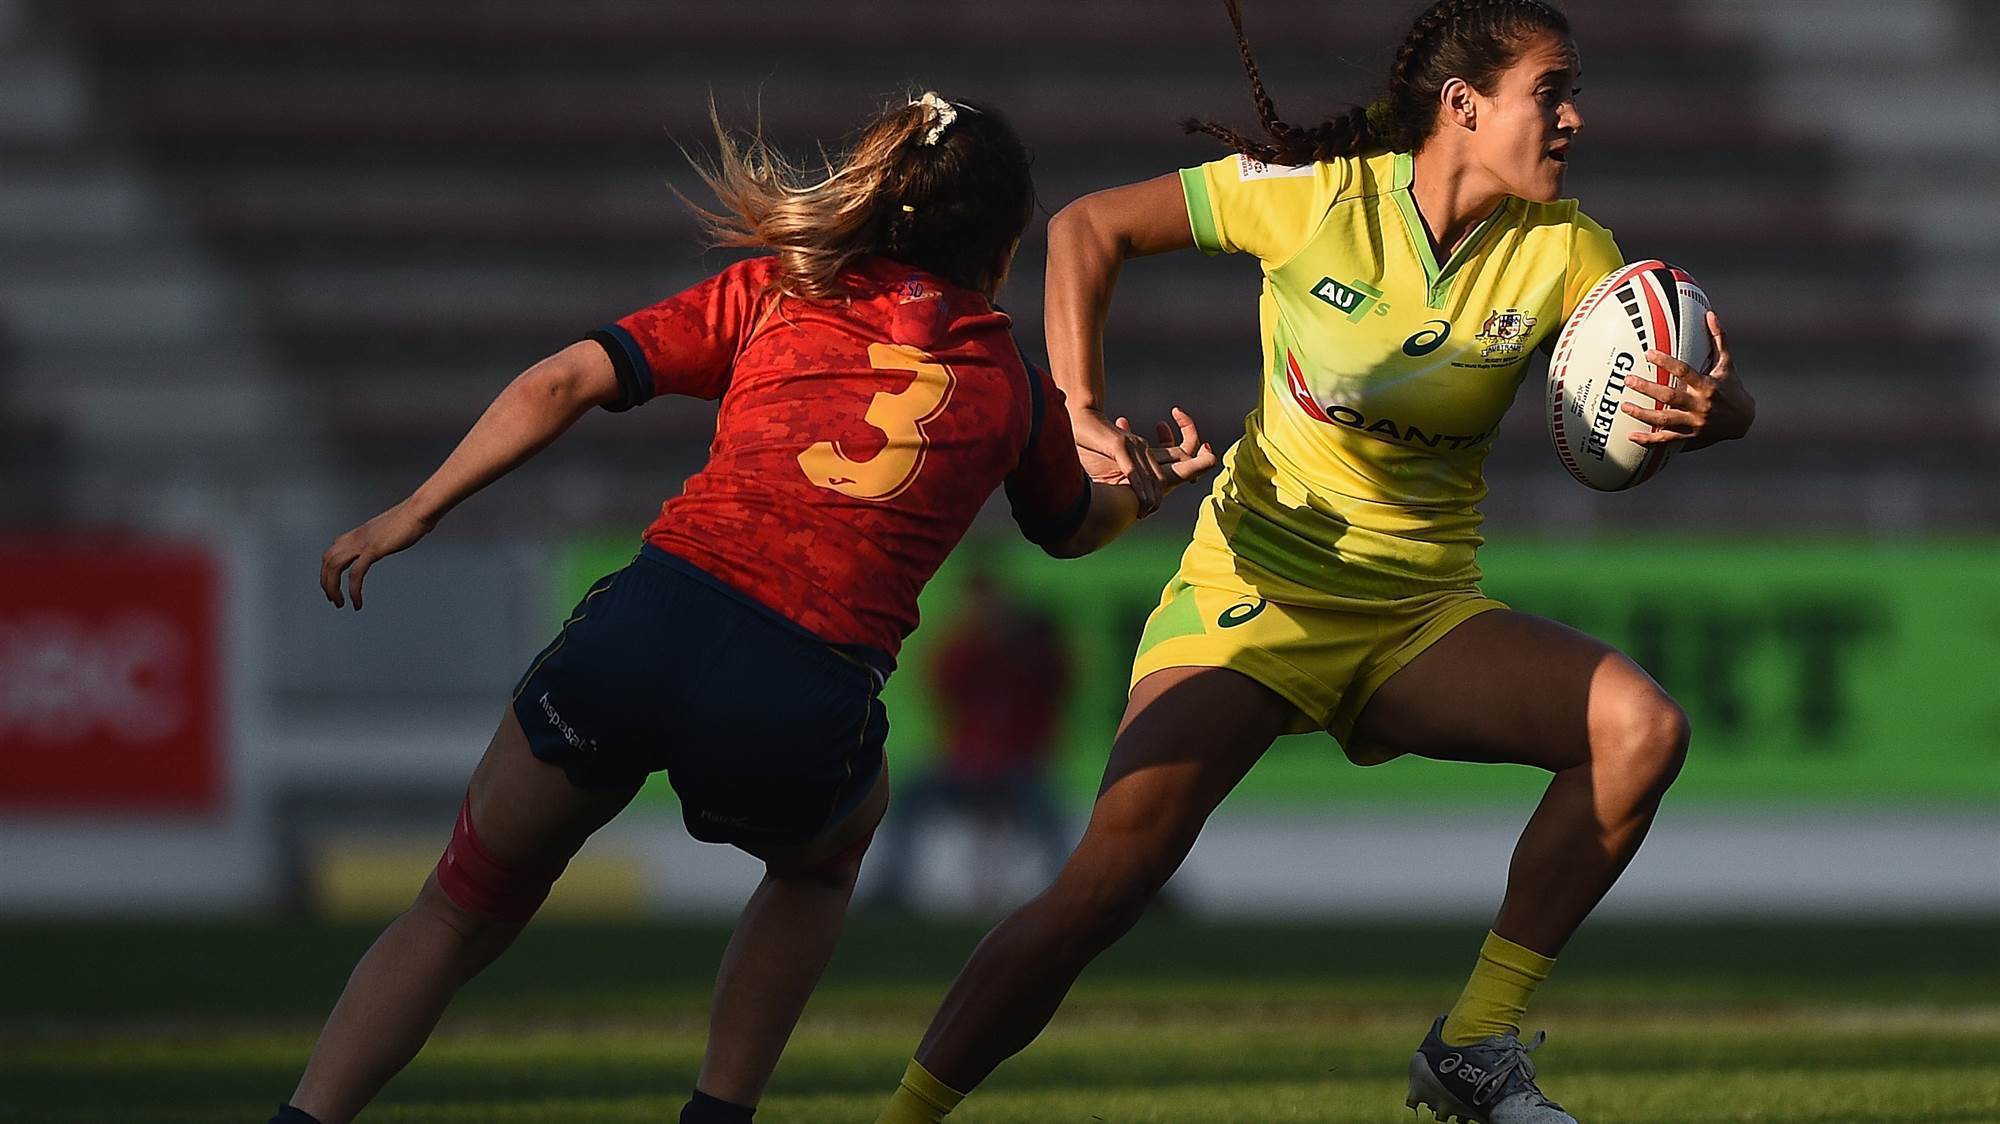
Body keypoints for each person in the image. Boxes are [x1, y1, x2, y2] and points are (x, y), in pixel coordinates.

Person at [874, 3, 1756, 1123]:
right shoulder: (1313, 196)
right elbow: (1089, 228)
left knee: (1640, 730)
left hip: (1419, 613)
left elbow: (1672, 383)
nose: (1573, 116)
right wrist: (1079, 409)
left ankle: (1474, 1044)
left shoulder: (1568, 248)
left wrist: (1710, 410)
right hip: (1257, 597)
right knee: (1103, 887)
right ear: (1462, 104)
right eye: (1551, 90)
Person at [274, 91, 1217, 1124]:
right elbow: (1073, 525)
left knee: (459, 904)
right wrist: (1145, 489)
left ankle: (307, 1113)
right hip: (801, 679)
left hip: (651, 620)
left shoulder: (776, 290)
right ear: (1002, 246)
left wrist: (414, 509)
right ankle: (717, 1111)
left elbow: (563, 380)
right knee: (826, 857)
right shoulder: (1009, 385)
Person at [863, 566, 1075, 911]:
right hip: (965, 763)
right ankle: (891, 886)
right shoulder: (967, 648)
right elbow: (942, 679)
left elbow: (1057, 685)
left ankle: (1068, 891)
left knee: (1045, 811)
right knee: (905, 799)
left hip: (1014, 763)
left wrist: (1024, 645)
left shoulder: (1032, 651)